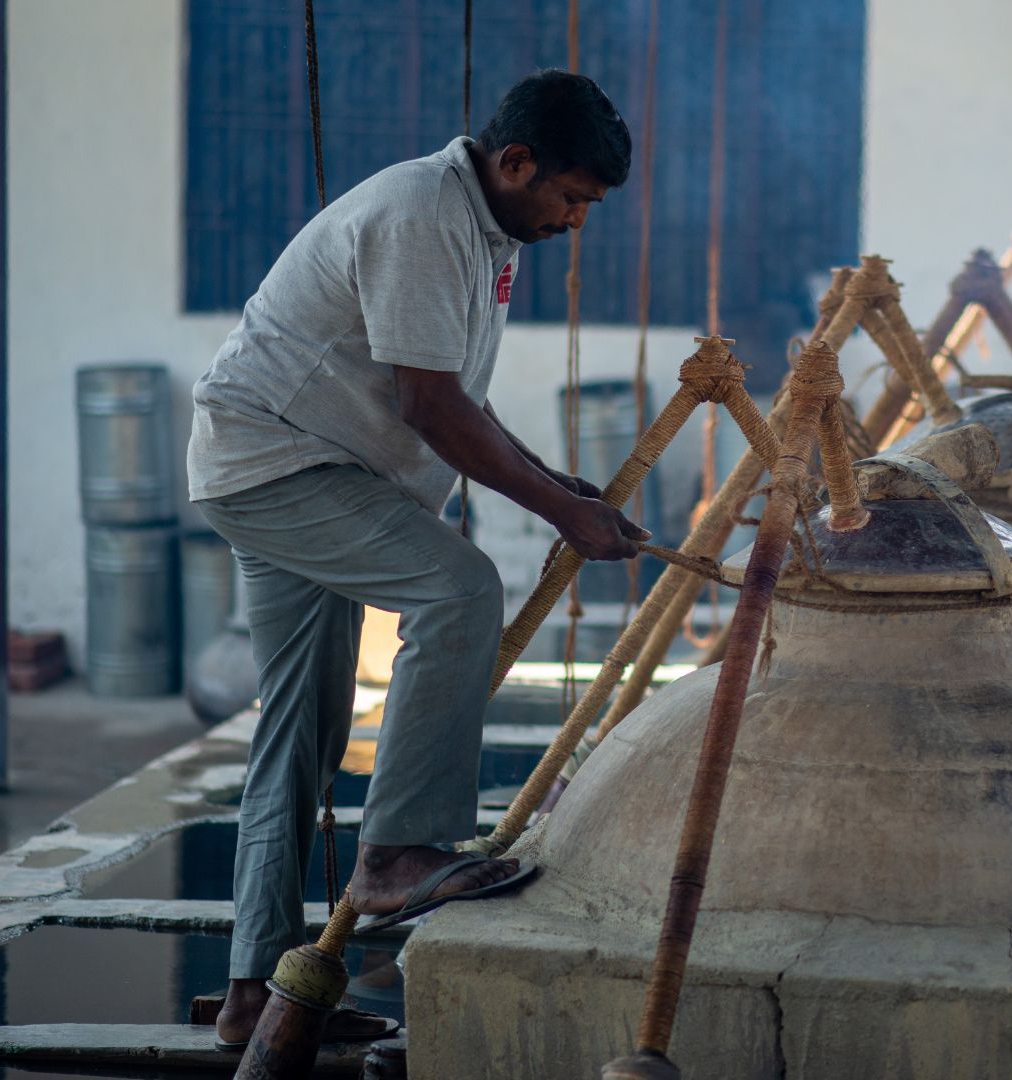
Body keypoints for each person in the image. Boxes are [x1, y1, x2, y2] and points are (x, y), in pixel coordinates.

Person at [185, 69, 648, 1047]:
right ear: (514, 162)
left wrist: (563, 488)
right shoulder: (420, 214)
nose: (574, 220)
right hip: (282, 466)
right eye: (569, 197)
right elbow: (427, 407)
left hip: (297, 467)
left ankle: (249, 996)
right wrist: (565, 516)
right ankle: (396, 850)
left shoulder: (481, 230)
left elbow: (458, 404)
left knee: (298, 741)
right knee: (460, 588)